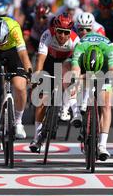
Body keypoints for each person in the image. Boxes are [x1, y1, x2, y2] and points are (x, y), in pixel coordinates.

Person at [29, 13, 81, 153]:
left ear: (70, 32)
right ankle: (36, 137)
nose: (62, 36)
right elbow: (40, 60)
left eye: (66, 33)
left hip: (67, 62)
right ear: (54, 29)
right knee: (42, 99)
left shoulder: (76, 40)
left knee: (70, 76)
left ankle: (65, 107)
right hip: (49, 62)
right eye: (59, 32)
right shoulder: (47, 34)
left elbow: (77, 64)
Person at [0, 17, 32, 139]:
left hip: (13, 52)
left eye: (3, 41)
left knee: (20, 86)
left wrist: (29, 72)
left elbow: (23, 54)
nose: (1, 44)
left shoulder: (14, 28)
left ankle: (19, 122)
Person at [71, 32, 113, 161]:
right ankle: (80, 113)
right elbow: (75, 70)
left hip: (104, 70)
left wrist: (112, 82)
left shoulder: (109, 47)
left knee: (106, 104)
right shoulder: (80, 46)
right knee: (75, 83)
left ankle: (102, 145)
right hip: (85, 68)